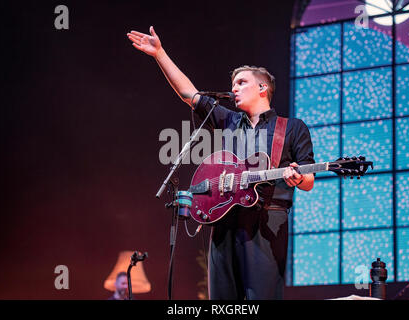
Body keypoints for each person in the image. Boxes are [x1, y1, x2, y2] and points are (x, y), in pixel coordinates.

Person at [126, 26, 315, 300]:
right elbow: (188, 94)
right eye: (233, 83)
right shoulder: (227, 120)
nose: (233, 88)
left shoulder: (292, 128)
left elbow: (308, 180)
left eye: (241, 83)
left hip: (267, 224)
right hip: (224, 218)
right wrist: (159, 53)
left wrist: (299, 178)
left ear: (263, 88)